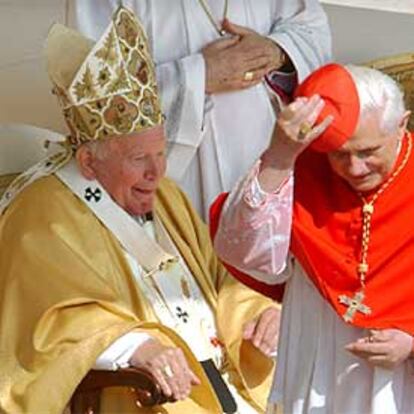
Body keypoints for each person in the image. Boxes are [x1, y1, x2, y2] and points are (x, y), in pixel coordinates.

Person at [0, 7, 281, 414]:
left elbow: (222, 277)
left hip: (222, 381)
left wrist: (259, 313)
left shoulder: (165, 195)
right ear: (88, 162)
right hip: (143, 392)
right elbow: (48, 324)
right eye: (137, 159)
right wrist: (136, 347)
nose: (156, 172)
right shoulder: (41, 213)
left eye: (161, 152)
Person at [212, 63, 414, 413]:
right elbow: (243, 249)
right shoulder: (303, 168)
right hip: (320, 358)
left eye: (368, 152)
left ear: (403, 124)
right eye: (340, 153)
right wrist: (278, 156)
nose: (354, 168)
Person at [68, 0, 332, 218]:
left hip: (262, 149)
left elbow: (310, 27)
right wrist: (197, 77)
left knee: (261, 257)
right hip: (177, 178)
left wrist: (276, 53)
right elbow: (94, 93)